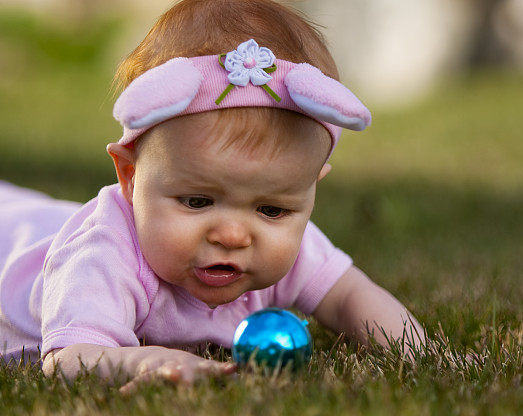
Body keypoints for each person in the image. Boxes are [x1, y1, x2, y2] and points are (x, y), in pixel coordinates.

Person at [0, 0, 425, 391]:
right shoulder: (101, 255)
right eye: (197, 202)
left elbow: (352, 295)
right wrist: (141, 361)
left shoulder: (289, 245)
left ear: (311, 188)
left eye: (271, 209)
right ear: (130, 177)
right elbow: (68, 360)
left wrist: (427, 356)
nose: (232, 235)